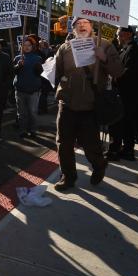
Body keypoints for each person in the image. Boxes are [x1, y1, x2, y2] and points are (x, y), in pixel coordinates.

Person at [53, 17, 122, 191]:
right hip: (67, 103)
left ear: (92, 26)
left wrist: (104, 58)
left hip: (90, 105)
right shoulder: (65, 47)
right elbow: (57, 72)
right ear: (74, 28)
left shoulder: (104, 44)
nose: (82, 25)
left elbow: (118, 71)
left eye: (86, 22)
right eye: (78, 23)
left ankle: (99, 165)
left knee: (90, 144)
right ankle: (68, 176)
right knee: (63, 143)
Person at [107, 26, 138, 161]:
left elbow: (130, 71)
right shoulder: (126, 49)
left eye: (119, 34)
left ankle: (118, 150)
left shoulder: (133, 50)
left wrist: (115, 77)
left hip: (127, 94)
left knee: (120, 122)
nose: (117, 37)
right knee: (126, 123)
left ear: (128, 34)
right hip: (125, 93)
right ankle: (126, 149)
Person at [13, 37, 43, 138]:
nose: (26, 47)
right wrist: (18, 66)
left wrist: (39, 69)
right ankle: (23, 130)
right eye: (24, 45)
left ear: (32, 47)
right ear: (21, 46)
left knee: (32, 112)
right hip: (20, 89)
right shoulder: (17, 58)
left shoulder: (37, 58)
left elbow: (41, 73)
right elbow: (12, 71)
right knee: (21, 113)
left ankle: (33, 130)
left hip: (34, 90)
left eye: (28, 45)